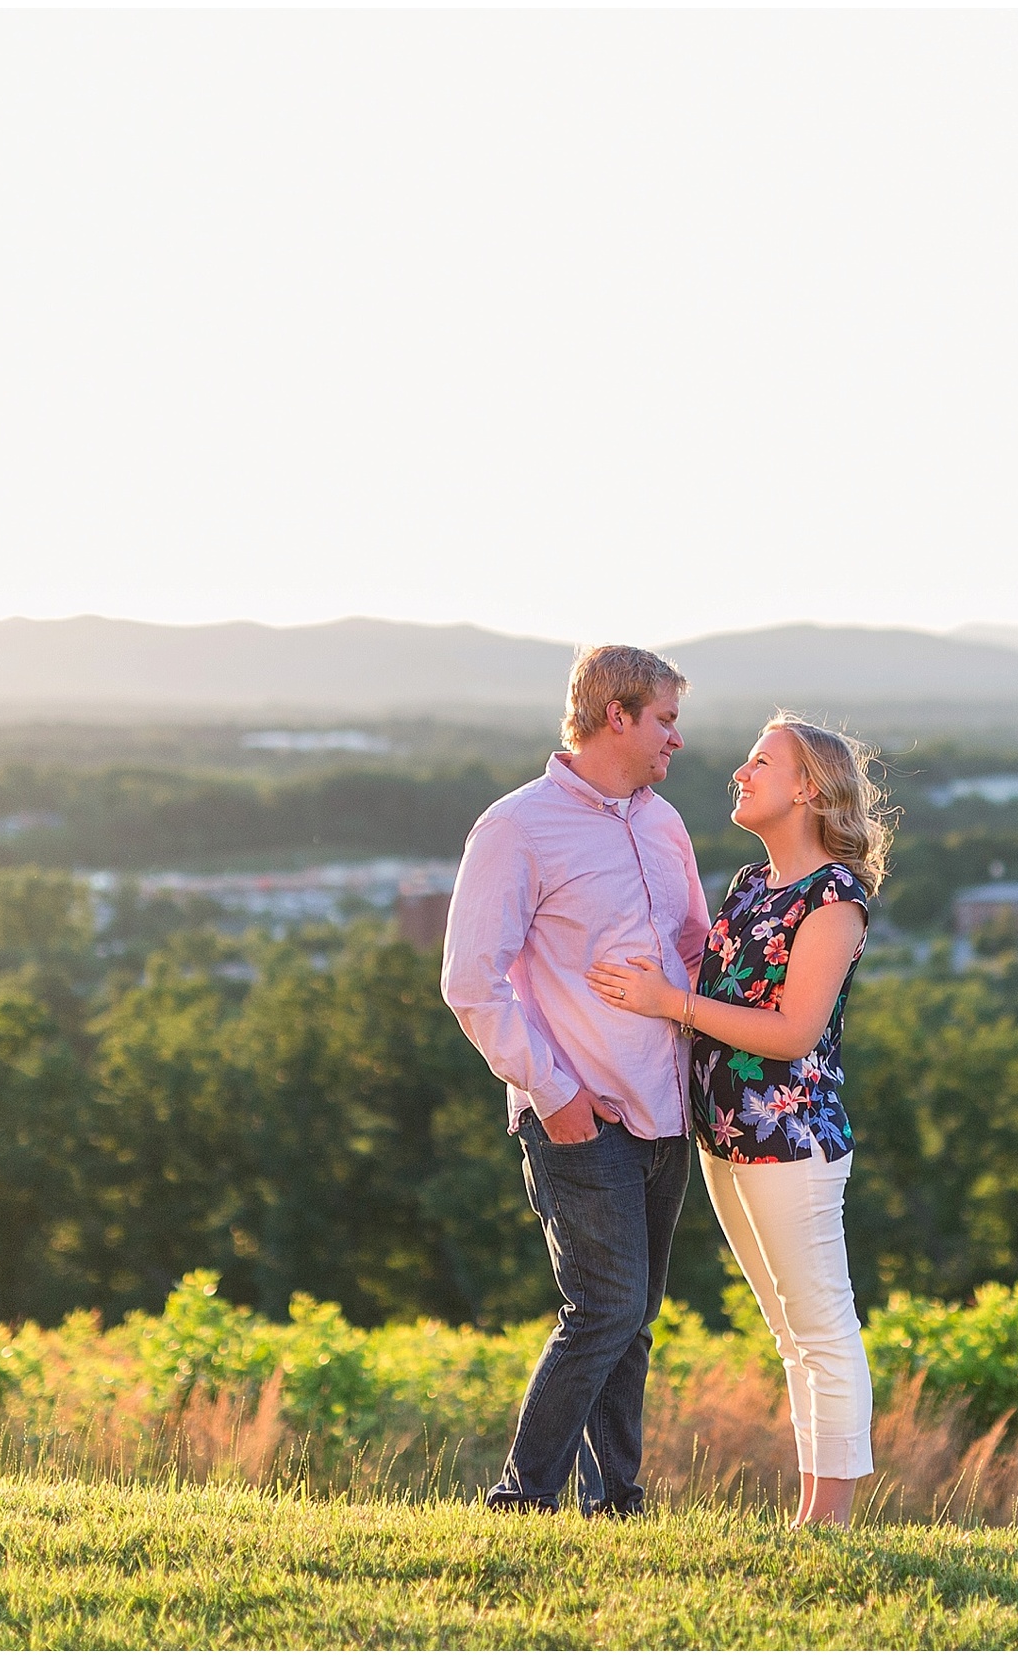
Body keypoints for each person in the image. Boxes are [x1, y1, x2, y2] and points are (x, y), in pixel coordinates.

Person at [588, 714, 890, 1527]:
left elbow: (793, 1031)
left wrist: (671, 1002)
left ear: (806, 788)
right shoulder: (752, 886)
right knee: (789, 1331)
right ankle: (811, 1517)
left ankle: (829, 1522)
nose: (740, 773)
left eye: (761, 762)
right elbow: (724, 993)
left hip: (791, 1144)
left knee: (822, 1324)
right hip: (724, 1139)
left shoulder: (835, 899)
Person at [439, 644, 708, 1517]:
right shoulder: (516, 826)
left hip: (669, 1108)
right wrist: (552, 1093)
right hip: (578, 1113)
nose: (676, 739)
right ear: (616, 714)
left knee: (632, 1320)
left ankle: (616, 1506)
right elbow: (469, 981)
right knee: (603, 1308)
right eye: (665, 719)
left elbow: (696, 949)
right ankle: (522, 1501)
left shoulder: (665, 824)